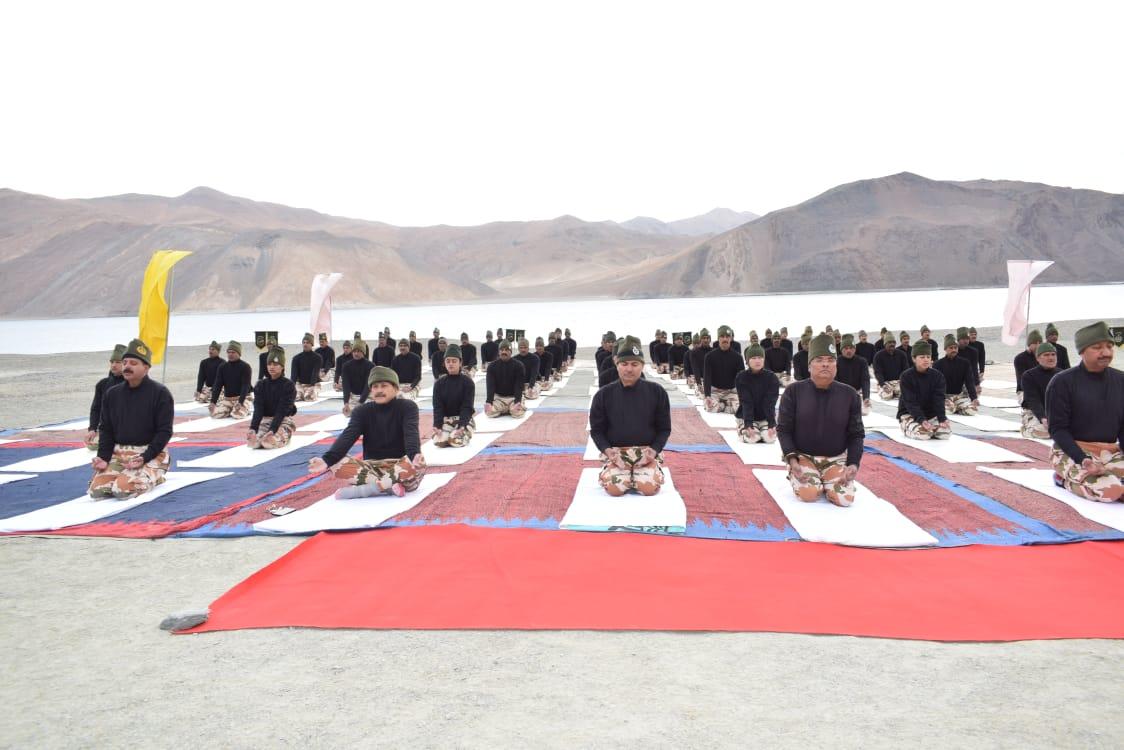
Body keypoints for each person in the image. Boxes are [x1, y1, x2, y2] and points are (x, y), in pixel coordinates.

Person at [308, 366, 427, 498]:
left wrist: (414, 454)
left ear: (395, 388)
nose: (379, 390)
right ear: (371, 390)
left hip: (399, 465)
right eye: (375, 387)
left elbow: (411, 433)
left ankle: (373, 488)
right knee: (336, 462)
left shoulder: (407, 407)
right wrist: (326, 460)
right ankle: (385, 487)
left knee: (414, 463)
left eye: (384, 386)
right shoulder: (362, 411)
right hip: (372, 468)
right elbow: (348, 436)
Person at [777, 334, 864, 507]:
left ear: (836, 365)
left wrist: (853, 464)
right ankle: (803, 476)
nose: (825, 364)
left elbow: (856, 435)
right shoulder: (793, 392)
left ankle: (828, 479)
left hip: (835, 458)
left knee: (845, 499)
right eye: (819, 360)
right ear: (809, 366)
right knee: (809, 494)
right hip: (803, 457)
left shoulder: (850, 395)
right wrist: (792, 460)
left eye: (830, 360)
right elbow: (784, 429)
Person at [1045, 322, 1124, 502]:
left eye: (1110, 346)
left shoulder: (1121, 381)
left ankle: (1110, 477)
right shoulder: (1062, 382)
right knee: (1110, 491)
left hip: (1110, 452)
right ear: (1082, 351)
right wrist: (1083, 459)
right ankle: (1063, 479)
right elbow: (1058, 429)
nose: (1106, 352)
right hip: (1073, 451)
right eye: (1097, 347)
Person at [88, 339, 174, 500]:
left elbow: (165, 431)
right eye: (125, 362)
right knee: (97, 491)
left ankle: (155, 474)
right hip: (120, 453)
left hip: (149, 452)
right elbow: (106, 428)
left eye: (133, 363)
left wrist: (146, 456)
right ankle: (137, 473)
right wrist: (104, 458)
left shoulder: (160, 393)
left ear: (146, 367)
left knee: (122, 490)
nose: (127, 366)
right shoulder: (112, 394)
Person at [589, 336, 671, 496]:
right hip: (617, 453)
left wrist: (654, 451)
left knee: (647, 488)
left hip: (646, 452)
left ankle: (652, 468)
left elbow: (664, 428)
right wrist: (607, 451)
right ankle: (610, 471)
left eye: (635, 364)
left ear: (642, 366)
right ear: (617, 364)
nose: (629, 369)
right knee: (615, 489)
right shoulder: (603, 395)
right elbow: (597, 430)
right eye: (624, 364)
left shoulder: (657, 392)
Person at [897, 344, 951, 439]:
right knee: (923, 435)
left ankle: (930, 429)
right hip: (910, 413)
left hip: (930, 414)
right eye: (922, 357)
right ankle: (908, 427)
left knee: (945, 434)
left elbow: (939, 399)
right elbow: (910, 402)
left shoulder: (938, 376)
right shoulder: (906, 377)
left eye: (928, 357)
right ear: (914, 359)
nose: (926, 360)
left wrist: (942, 418)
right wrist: (921, 420)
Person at [247, 346, 297, 449]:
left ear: (282, 366)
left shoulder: (288, 385)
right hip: (265, 421)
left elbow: (282, 410)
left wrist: (273, 429)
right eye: (269, 364)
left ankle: (285, 433)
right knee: (254, 444)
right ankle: (268, 435)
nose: (271, 367)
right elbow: (258, 409)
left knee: (268, 443)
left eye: (275, 364)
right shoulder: (260, 385)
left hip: (282, 420)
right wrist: (253, 428)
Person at [430, 344, 476, 448]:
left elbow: (467, 407)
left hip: (464, 419)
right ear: (444, 363)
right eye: (448, 361)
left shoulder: (468, 383)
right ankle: (449, 433)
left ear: (460, 363)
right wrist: (437, 425)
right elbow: (438, 407)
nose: (451, 364)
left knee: (455, 441)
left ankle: (465, 432)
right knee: (439, 441)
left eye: (454, 361)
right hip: (447, 420)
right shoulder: (439, 383)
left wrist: (461, 426)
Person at [85, 344, 127, 450]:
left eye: (118, 362)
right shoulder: (102, 384)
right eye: (112, 362)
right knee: (92, 445)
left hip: (129, 430)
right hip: (108, 430)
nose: (113, 365)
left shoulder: (133, 383)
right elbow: (96, 408)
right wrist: (92, 429)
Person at [735, 344, 780, 443]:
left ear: (764, 359)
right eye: (753, 358)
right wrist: (748, 424)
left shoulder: (772, 378)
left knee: (770, 439)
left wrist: (772, 424)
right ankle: (742, 429)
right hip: (746, 416)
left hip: (764, 417)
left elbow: (770, 403)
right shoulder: (741, 377)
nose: (757, 361)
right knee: (752, 438)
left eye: (760, 357)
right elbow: (747, 402)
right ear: (747, 361)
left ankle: (761, 431)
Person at [1020, 341, 1059, 439]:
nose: (1051, 358)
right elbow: (1033, 400)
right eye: (1046, 355)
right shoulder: (1029, 376)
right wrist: (1043, 418)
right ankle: (1027, 429)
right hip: (1035, 412)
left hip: (1056, 412)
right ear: (1037, 358)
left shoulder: (1062, 375)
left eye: (1053, 354)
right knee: (1042, 430)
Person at [933, 335, 978, 415]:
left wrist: (974, 398)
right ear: (945, 349)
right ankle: (954, 408)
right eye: (951, 348)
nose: (953, 350)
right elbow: (934, 385)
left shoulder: (965, 363)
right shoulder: (938, 364)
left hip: (959, 396)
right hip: (945, 396)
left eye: (955, 347)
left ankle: (956, 408)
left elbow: (969, 382)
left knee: (973, 411)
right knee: (947, 411)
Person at [703, 325, 744, 415]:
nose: (725, 339)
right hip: (715, 392)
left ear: (730, 338)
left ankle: (725, 407)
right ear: (718, 338)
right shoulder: (709, 357)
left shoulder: (738, 357)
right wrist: (707, 396)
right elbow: (707, 377)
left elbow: (742, 379)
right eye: (722, 336)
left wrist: (743, 397)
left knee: (741, 410)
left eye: (727, 337)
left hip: (731, 392)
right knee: (709, 407)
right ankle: (723, 405)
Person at [210, 340, 254, 418]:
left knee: (237, 415)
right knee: (215, 415)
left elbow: (245, 386)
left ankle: (243, 409)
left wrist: (240, 402)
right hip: (228, 399)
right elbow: (218, 385)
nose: (230, 354)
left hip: (242, 398)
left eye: (233, 352)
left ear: (239, 353)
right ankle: (230, 410)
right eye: (229, 352)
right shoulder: (222, 367)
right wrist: (213, 402)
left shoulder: (245, 367)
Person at [485, 340, 527, 417]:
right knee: (489, 413)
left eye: (507, 350)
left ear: (511, 352)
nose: (504, 352)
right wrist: (489, 402)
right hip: (499, 398)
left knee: (517, 414)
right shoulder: (492, 366)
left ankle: (510, 409)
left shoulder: (519, 366)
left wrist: (517, 401)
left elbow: (519, 386)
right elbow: (490, 386)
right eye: (501, 350)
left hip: (513, 397)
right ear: (499, 352)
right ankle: (506, 409)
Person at [834, 334, 871, 415]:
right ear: (841, 349)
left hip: (857, 392)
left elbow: (865, 380)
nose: (849, 351)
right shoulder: (836, 362)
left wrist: (866, 397)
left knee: (864, 412)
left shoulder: (862, 361)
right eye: (846, 348)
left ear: (854, 349)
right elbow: (834, 382)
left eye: (851, 348)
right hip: (841, 393)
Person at [340, 340, 375, 416]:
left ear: (363, 352)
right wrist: (346, 403)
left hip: (367, 396)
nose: (356, 353)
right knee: (350, 414)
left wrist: (361, 402)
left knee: (367, 414)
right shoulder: (346, 366)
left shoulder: (370, 366)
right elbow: (346, 385)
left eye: (359, 351)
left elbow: (368, 385)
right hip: (354, 396)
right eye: (354, 351)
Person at [873, 334, 910, 399]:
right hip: (885, 382)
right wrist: (882, 384)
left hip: (898, 381)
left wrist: (902, 382)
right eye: (889, 342)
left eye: (893, 342)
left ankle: (895, 392)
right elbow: (878, 372)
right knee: (887, 396)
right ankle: (891, 392)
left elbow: (905, 370)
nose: (892, 344)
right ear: (885, 344)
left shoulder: (902, 354)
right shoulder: (878, 356)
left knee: (904, 394)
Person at [290, 333, 324, 401]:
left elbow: (315, 373)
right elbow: (294, 374)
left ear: (312, 344)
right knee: (296, 397)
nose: (305, 344)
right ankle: (301, 394)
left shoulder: (317, 357)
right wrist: (291, 387)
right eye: (304, 342)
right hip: (300, 384)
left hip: (313, 384)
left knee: (309, 397)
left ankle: (307, 393)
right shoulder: (296, 358)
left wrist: (312, 386)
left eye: (307, 343)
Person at [1015, 329, 1043, 403]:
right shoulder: (1020, 358)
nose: (1038, 345)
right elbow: (1022, 378)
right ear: (1029, 344)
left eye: (1040, 343)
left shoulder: (1042, 357)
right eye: (1035, 343)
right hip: (1024, 391)